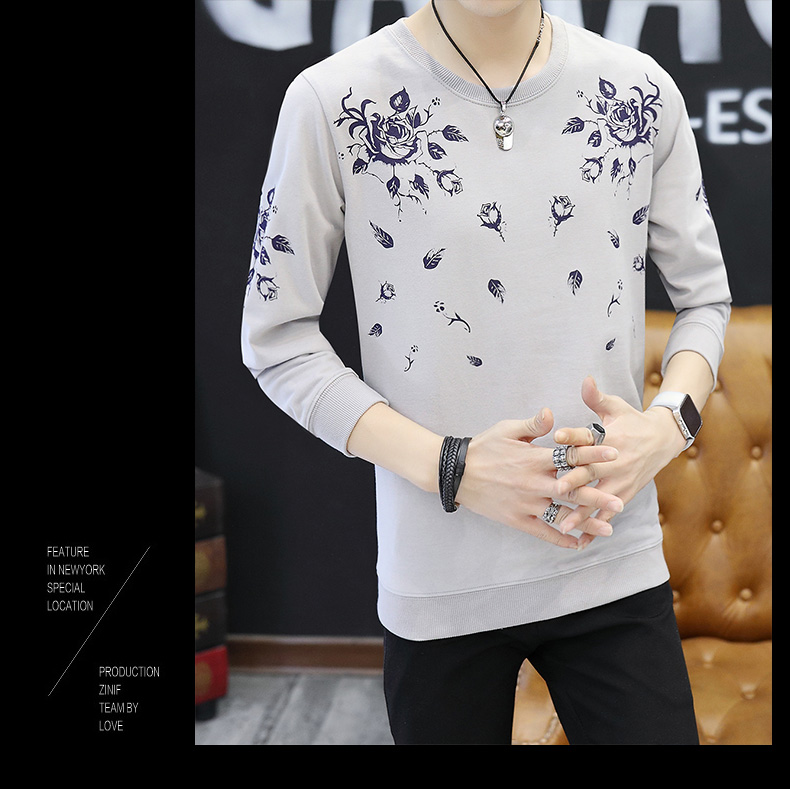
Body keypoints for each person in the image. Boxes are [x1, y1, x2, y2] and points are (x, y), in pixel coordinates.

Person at [241, 0, 731, 745]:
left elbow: (704, 299)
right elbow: (276, 340)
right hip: (440, 585)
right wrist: (452, 467)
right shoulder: (332, 99)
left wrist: (666, 431)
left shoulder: (639, 89)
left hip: (611, 559)